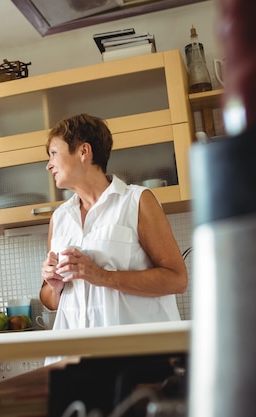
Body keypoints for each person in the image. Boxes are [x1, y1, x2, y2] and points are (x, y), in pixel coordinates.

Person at [40, 114, 188, 359]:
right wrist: (55, 286)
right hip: (75, 362)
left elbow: (176, 280)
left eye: (54, 153)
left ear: (83, 151)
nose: (49, 165)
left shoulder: (137, 201)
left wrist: (101, 276)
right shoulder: (59, 218)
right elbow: (49, 298)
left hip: (136, 360)